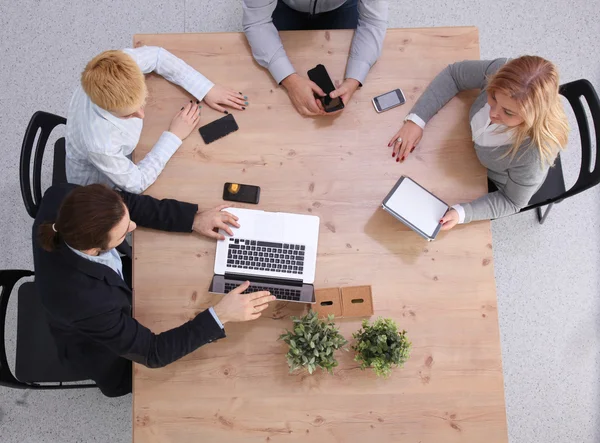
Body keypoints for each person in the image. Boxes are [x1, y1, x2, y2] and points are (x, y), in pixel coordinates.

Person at [33, 183, 275, 397]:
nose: (134, 226)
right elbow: (152, 352)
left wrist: (192, 219)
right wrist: (221, 315)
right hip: (103, 352)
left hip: (114, 292)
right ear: (95, 249)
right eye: (125, 232)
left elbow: (126, 205)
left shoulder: (64, 197)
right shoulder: (85, 302)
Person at [387, 56, 570, 230]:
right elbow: (454, 74)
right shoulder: (501, 68)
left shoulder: (532, 157)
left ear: (532, 117)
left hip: (493, 179)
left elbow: (512, 202)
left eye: (508, 112)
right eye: (493, 98)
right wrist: (417, 120)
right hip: (465, 151)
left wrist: (463, 213)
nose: (493, 113)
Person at [66, 47, 250, 194]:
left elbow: (157, 56)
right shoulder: (100, 145)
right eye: (128, 115)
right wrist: (174, 135)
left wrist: (206, 89)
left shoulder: (119, 65)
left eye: (142, 102)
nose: (141, 115)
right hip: (99, 186)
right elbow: (136, 183)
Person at [242, 0, 388, 116]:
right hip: (284, 7)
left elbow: (373, 23)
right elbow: (257, 23)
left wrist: (354, 80)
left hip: (341, 7)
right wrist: (290, 81)